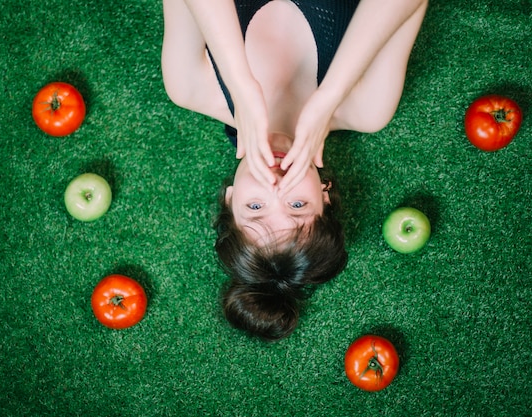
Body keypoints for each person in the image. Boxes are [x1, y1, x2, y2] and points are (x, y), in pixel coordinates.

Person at [161, 0, 428, 340]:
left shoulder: (190, 85)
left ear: (230, 198)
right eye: (297, 206)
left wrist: (239, 84)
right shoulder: (367, 107)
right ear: (324, 196)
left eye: (256, 208)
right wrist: (330, 97)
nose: (275, 185)